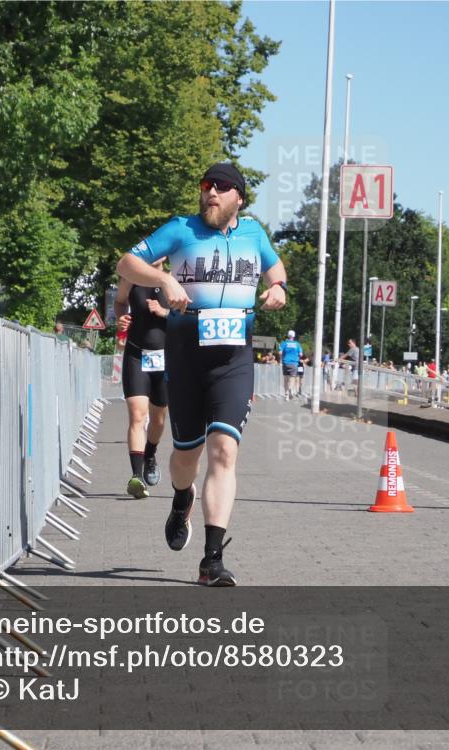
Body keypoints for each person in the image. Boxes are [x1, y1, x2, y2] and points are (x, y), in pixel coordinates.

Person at [118, 162, 287, 586]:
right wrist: (162, 278)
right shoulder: (181, 229)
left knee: (224, 451)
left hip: (234, 360)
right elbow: (126, 263)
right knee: (185, 458)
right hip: (186, 357)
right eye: (206, 185)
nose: (211, 191)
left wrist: (278, 288)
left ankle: (212, 561)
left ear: (239, 197)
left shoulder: (254, 234)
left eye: (222, 186)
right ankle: (181, 499)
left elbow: (276, 270)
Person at [114, 259, 170, 499]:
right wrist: (121, 318)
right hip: (136, 355)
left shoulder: (173, 280)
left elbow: (189, 313)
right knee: (137, 414)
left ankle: (150, 455)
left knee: (158, 419)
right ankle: (136, 477)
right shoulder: (131, 277)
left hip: (166, 358)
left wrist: (165, 312)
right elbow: (119, 302)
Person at [279, 330, 302, 400]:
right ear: (294, 336)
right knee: (293, 378)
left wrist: (281, 360)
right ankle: (290, 388)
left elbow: (280, 353)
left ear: (288, 335)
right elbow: (301, 354)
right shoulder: (297, 344)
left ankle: (286, 395)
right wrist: (297, 356)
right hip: (294, 363)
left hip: (285, 363)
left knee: (285, 379)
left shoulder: (284, 343)